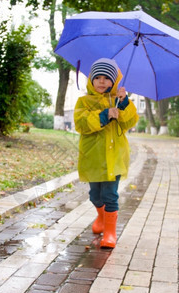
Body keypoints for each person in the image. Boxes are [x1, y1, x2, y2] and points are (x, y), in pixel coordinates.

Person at [74, 58, 139, 248]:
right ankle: (101, 218)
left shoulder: (118, 101)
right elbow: (82, 123)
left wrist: (124, 103)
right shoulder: (84, 101)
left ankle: (110, 232)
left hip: (114, 157)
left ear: (113, 81)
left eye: (107, 78)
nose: (102, 82)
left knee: (110, 195)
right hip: (93, 157)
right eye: (98, 78)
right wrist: (104, 115)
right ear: (91, 80)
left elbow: (129, 122)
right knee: (95, 195)